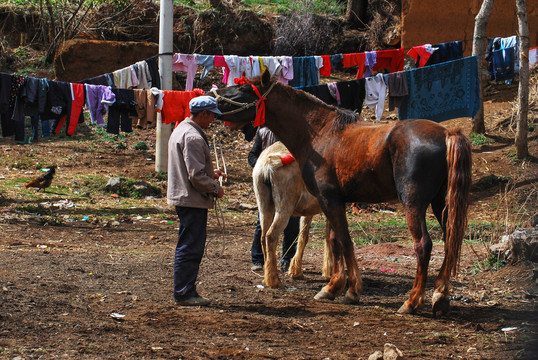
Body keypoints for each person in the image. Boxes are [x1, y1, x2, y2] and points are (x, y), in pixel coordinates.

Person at [167, 95, 226, 306]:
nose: (212, 121)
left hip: (184, 196)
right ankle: (184, 292)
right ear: (203, 114)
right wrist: (215, 188)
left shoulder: (181, 130)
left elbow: (193, 168)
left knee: (188, 244)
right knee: (191, 246)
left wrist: (212, 172)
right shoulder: (192, 137)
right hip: (192, 199)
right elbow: (196, 176)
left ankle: (185, 289)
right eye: (211, 116)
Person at [248, 126, 299, 273]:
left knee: (292, 223)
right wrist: (262, 166)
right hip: (266, 177)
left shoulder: (292, 132)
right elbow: (252, 155)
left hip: (288, 180)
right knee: (263, 222)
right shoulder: (263, 132)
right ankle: (258, 259)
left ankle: (287, 259)